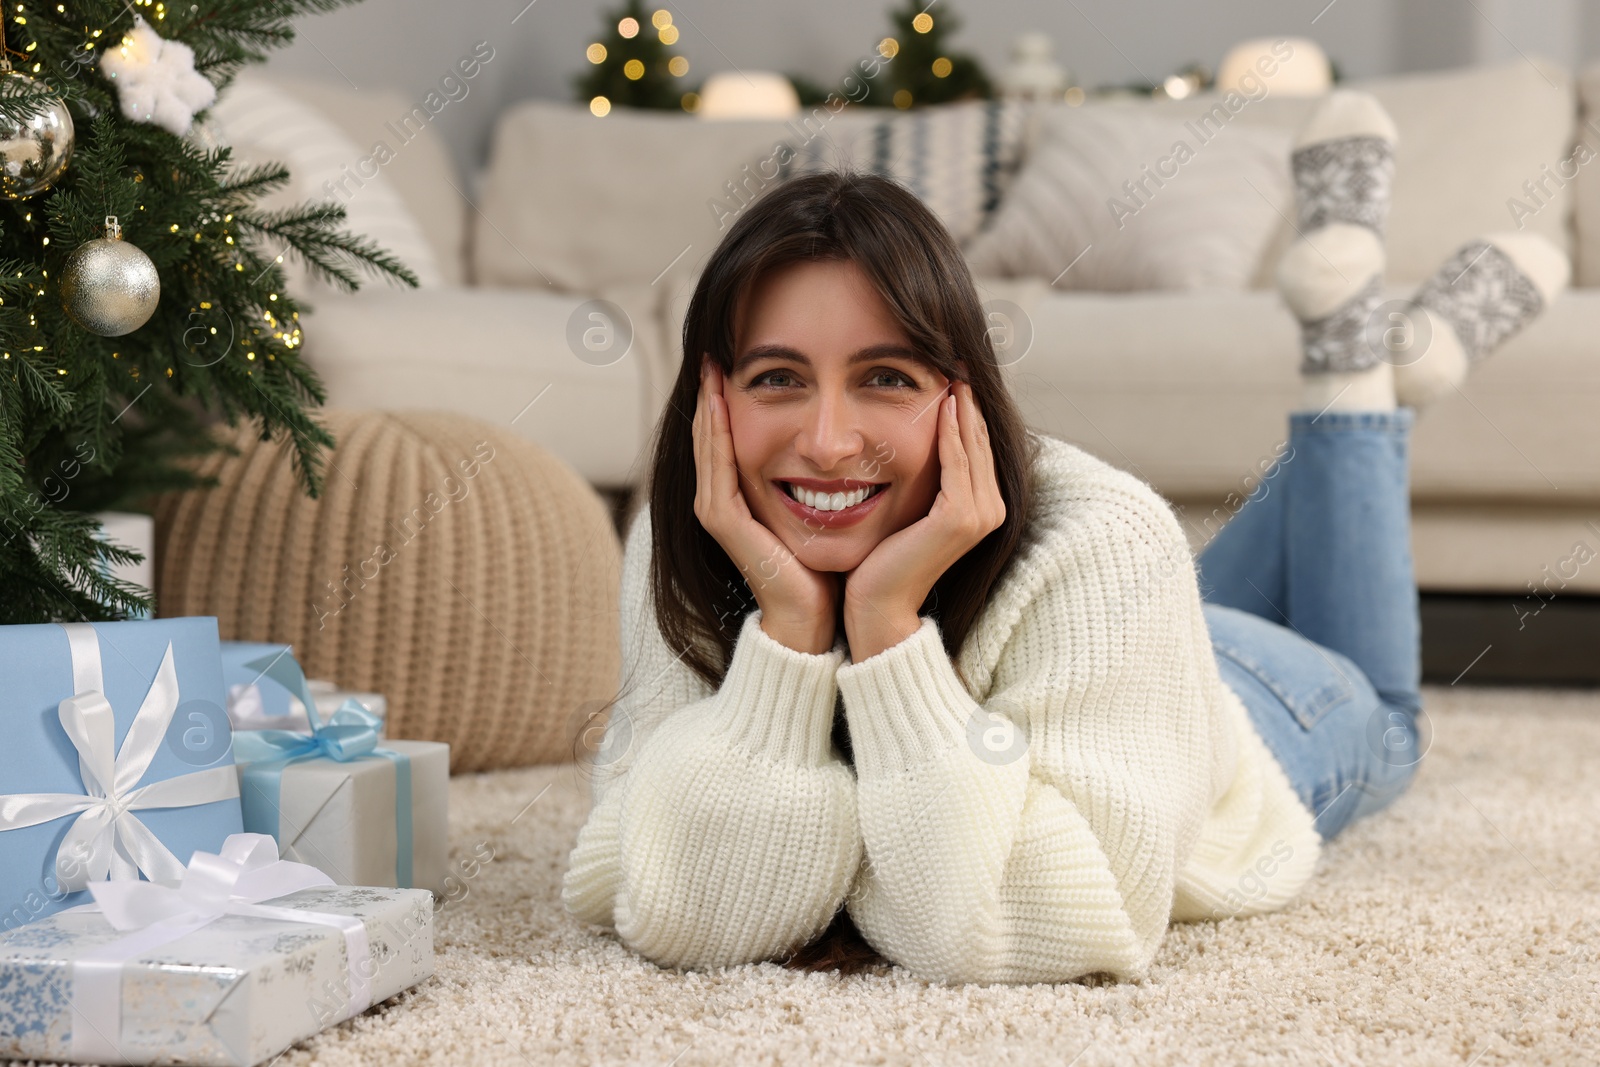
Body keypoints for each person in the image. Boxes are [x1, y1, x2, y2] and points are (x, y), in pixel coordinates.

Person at [560, 90, 1568, 985]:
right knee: (1173, 596)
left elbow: (1017, 919)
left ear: (963, 396)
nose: (825, 443)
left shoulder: (1106, 537)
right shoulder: (687, 535)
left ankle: (1350, 365)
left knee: (1390, 720)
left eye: (886, 377)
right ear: (711, 400)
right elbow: (685, 907)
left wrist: (882, 622)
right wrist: (786, 628)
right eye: (777, 377)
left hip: (1246, 709)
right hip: (1111, 653)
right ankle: (1379, 368)